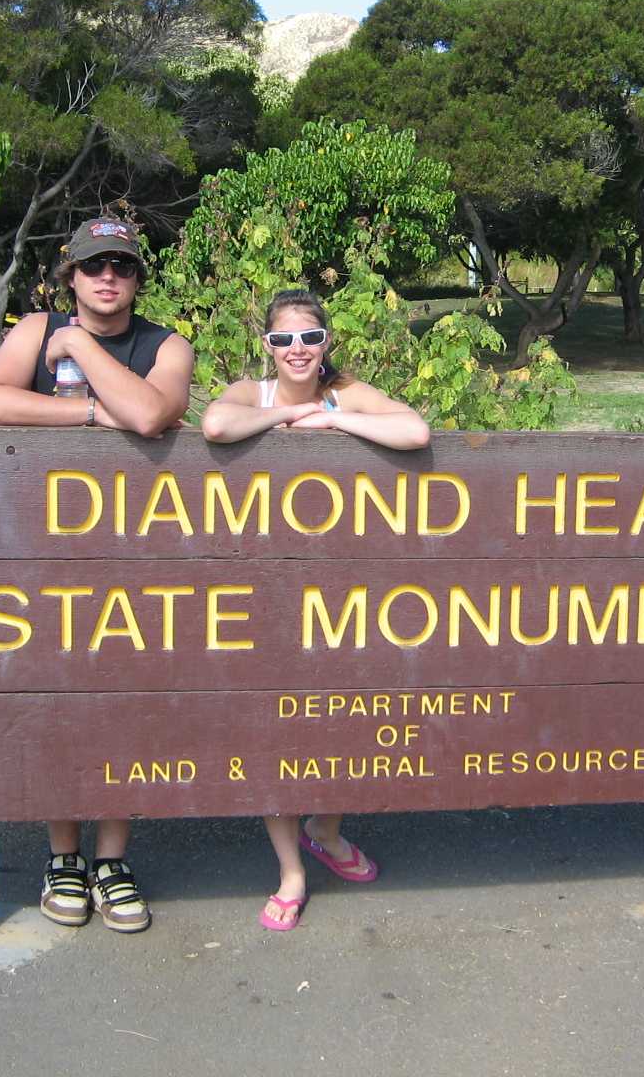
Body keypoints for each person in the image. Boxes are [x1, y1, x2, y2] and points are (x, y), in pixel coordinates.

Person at [0, 215, 193, 934]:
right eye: (94, 266)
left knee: (123, 705)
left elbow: (153, 413)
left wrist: (78, 349)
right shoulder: (33, 331)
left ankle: (112, 860)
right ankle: (63, 856)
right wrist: (91, 413)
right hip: (40, 554)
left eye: (122, 267)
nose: (108, 278)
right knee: (56, 703)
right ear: (70, 275)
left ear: (137, 279)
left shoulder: (165, 345)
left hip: (135, 557)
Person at [201, 288, 430, 931]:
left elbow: (414, 431)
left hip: (341, 586)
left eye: (308, 337)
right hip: (268, 585)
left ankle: (325, 830)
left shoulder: (346, 393)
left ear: (326, 342)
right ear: (266, 346)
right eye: (282, 340)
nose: (296, 350)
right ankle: (291, 872)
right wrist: (283, 419)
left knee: (345, 724)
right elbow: (216, 426)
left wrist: (333, 421)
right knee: (273, 733)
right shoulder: (253, 393)